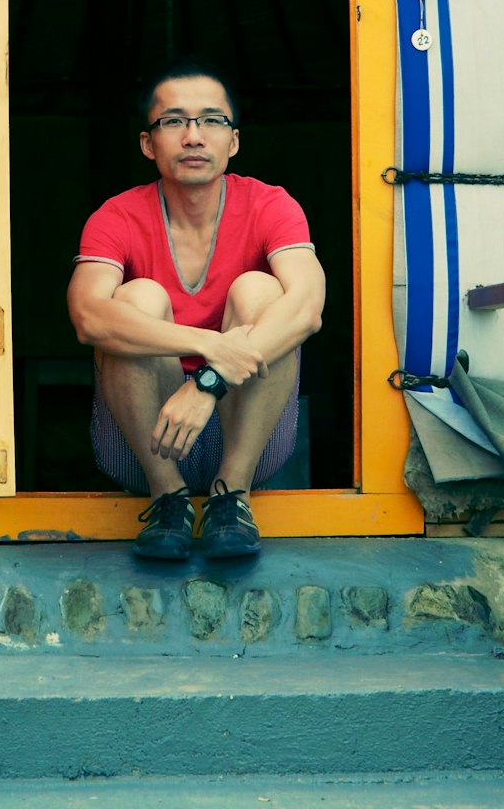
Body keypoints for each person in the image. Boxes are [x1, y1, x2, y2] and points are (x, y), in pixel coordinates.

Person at [66, 60, 326, 559]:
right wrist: (209, 346)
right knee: (135, 300)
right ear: (148, 144)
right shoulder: (117, 214)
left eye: (211, 120)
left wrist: (208, 383)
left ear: (233, 141)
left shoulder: (271, 204)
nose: (193, 136)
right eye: (174, 122)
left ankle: (232, 497)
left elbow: (308, 307)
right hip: (145, 446)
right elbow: (88, 316)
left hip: (249, 436)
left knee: (262, 292)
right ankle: (169, 500)